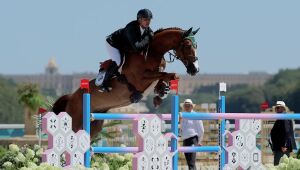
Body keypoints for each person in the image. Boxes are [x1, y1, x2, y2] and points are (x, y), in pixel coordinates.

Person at [95, 8, 154, 92]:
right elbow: (137, 47)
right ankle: (104, 83)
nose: (147, 22)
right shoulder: (131, 27)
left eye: (149, 20)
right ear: (139, 20)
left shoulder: (148, 30)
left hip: (124, 46)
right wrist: (148, 38)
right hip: (113, 43)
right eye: (145, 19)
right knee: (119, 61)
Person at [270, 101, 296, 166]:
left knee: (279, 166)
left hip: (282, 148)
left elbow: (286, 132)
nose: (276, 110)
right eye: (276, 108)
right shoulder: (282, 117)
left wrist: (284, 145)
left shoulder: (284, 117)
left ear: (283, 108)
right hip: (281, 147)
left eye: (278, 108)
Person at [180, 99, 204, 170]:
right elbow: (181, 129)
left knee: (191, 163)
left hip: (193, 139)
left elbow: (201, 130)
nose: (187, 107)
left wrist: (199, 141)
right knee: (189, 162)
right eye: (186, 106)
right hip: (185, 140)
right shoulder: (182, 115)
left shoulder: (195, 115)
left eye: (188, 106)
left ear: (192, 107)